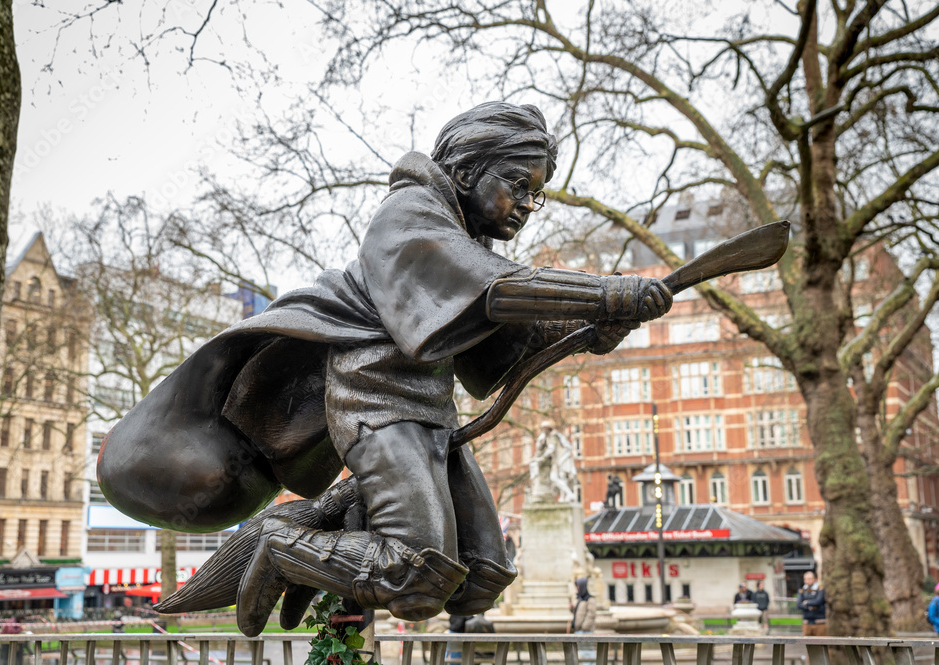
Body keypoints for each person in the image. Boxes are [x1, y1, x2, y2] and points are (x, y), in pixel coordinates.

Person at [97, 102, 673, 635]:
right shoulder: (410, 214)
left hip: (432, 420)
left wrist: (590, 333)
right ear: (469, 173)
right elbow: (497, 293)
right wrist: (602, 292)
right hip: (378, 407)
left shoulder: (471, 250)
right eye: (517, 185)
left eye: (535, 194)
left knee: (482, 576)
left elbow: (491, 353)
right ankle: (279, 541)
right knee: (416, 576)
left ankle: (341, 545)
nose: (526, 203)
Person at [571, 578, 597, 665]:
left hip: (585, 631)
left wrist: (584, 627)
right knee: (583, 653)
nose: (577, 587)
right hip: (579, 631)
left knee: (588, 653)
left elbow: (591, 614)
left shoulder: (590, 599)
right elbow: (578, 613)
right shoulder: (580, 598)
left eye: (578, 585)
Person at [797, 571, 827, 636]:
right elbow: (799, 604)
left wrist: (807, 602)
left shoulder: (820, 589)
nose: (807, 581)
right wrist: (809, 607)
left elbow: (818, 601)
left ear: (814, 579)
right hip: (807, 621)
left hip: (819, 621)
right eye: (805, 579)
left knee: (821, 643)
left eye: (809, 579)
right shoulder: (802, 590)